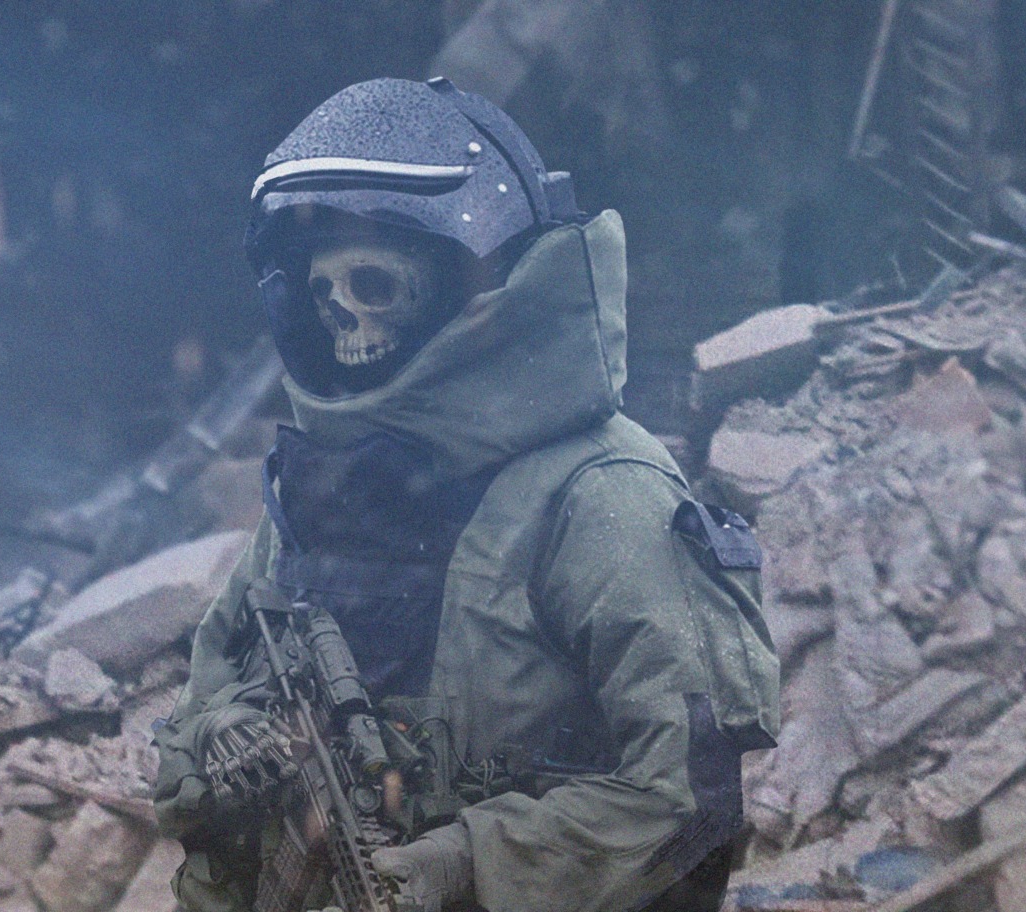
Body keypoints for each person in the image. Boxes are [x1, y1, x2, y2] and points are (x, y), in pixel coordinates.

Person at [152, 77, 780, 912]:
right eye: (322, 295)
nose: (345, 322)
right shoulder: (323, 489)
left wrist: (464, 864)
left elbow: (686, 798)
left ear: (466, 286)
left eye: (375, 286)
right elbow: (194, 724)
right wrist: (230, 737)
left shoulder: (601, 497)